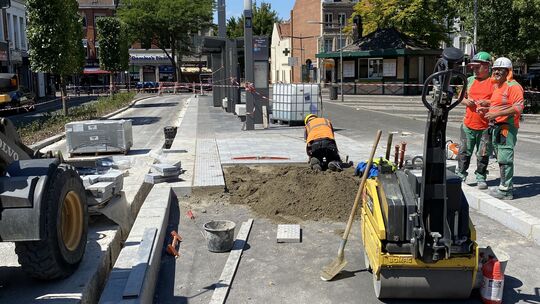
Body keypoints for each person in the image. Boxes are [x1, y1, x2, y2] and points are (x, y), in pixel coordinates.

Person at [485, 57, 525, 200]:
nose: (496, 72)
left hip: (507, 127)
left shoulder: (513, 86)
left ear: (508, 71)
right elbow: (500, 103)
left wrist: (496, 113)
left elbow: (518, 107)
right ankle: (504, 186)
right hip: (498, 126)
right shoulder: (499, 86)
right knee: (501, 157)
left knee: (505, 158)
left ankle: (506, 190)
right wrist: (487, 104)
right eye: (495, 69)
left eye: (500, 70)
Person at [455, 51, 494, 189]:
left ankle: (481, 177)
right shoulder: (470, 80)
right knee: (464, 152)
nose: (475, 70)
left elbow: (499, 102)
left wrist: (487, 103)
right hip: (468, 125)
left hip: (486, 126)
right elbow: (460, 97)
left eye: (478, 67)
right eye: (474, 67)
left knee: (483, 153)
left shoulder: (494, 82)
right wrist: (466, 102)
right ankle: (460, 174)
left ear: (487, 66)